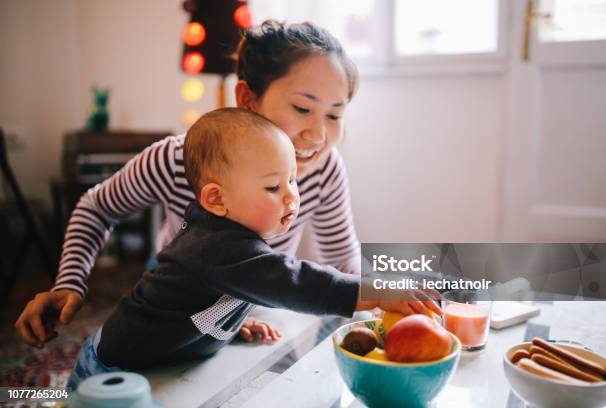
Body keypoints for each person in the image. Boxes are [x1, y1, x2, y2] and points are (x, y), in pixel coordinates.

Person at [17, 20, 361, 347]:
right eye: (302, 108)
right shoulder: (175, 159)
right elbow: (96, 208)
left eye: (335, 115)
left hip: (254, 304)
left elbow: (343, 260)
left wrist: (393, 295)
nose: (318, 135)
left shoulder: (324, 168)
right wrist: (69, 282)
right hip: (178, 303)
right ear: (246, 98)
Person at [65, 108, 441, 389]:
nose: (291, 196)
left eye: (291, 180)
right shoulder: (217, 247)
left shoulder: (228, 238)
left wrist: (228, 322)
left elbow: (200, 294)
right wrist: (374, 292)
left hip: (163, 358)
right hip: (114, 372)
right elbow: (295, 281)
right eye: (273, 187)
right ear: (216, 199)